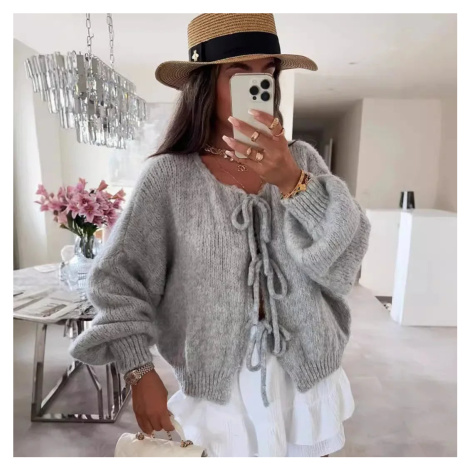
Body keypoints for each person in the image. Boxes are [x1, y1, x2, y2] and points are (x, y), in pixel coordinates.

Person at [69, 13, 371, 457]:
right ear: (204, 84)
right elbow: (118, 280)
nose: (259, 85)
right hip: (220, 386)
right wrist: (139, 370)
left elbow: (345, 261)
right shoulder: (167, 177)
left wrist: (293, 183)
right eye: (239, 73)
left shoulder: (301, 160)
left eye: (267, 72)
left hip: (309, 373)